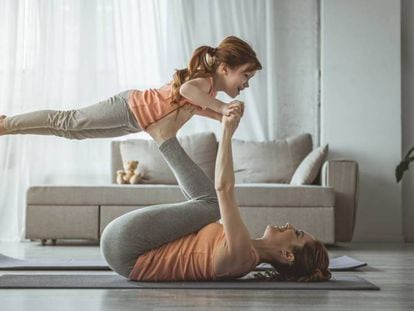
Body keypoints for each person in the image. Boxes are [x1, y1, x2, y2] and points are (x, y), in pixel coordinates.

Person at [100, 104, 332, 282]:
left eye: (298, 233)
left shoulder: (242, 257)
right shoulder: (244, 250)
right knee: (208, 207)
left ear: (287, 255)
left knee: (212, 206)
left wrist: (227, 131)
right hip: (125, 246)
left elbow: (224, 189)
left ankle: (164, 137)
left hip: (126, 249)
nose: (291, 225)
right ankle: (164, 137)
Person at [0, 36, 261, 139]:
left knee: (72, 132)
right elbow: (186, 92)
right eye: (246, 75)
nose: (247, 84)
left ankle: (8, 129)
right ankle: (7, 123)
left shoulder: (208, 92)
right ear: (225, 68)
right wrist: (224, 106)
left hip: (136, 122)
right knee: (69, 120)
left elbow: (194, 106)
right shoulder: (204, 82)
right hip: (131, 107)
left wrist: (218, 116)